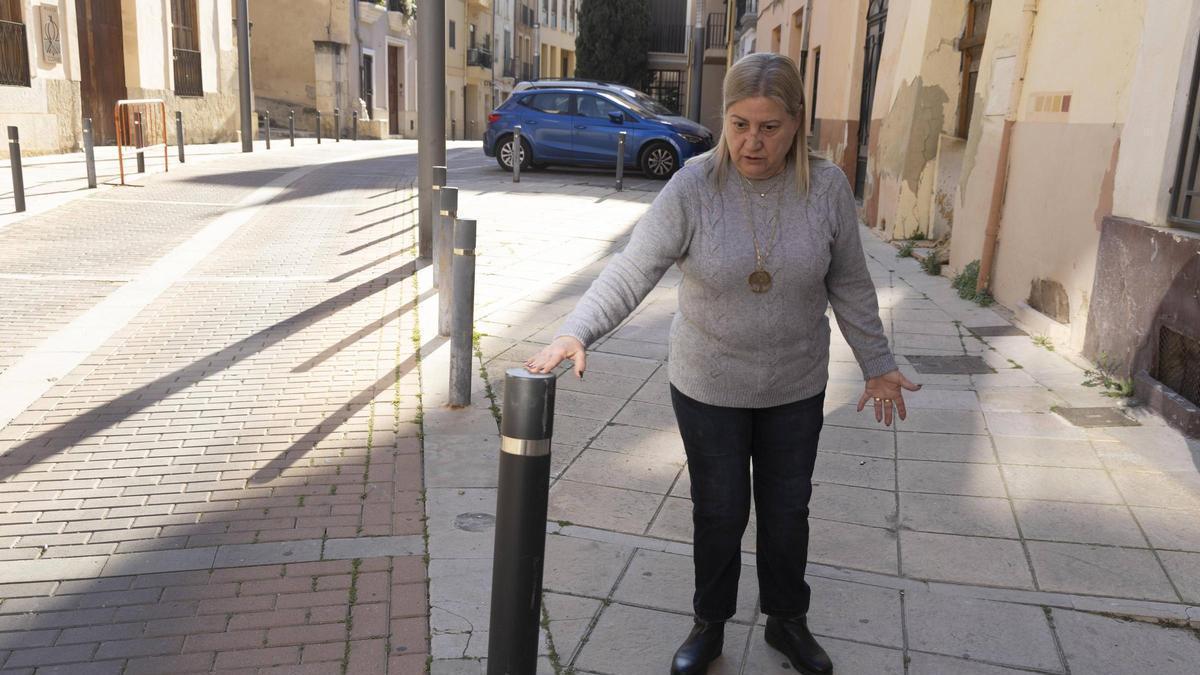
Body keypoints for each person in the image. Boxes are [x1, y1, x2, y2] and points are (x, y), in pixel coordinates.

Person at [524, 53, 920, 675]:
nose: (751, 142)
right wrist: (579, 329)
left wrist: (877, 363)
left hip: (794, 383)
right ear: (724, 119)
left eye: (768, 127)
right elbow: (635, 266)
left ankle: (788, 621)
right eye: (739, 124)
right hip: (709, 383)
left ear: (796, 123)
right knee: (720, 510)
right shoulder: (692, 186)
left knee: (788, 510)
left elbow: (850, 284)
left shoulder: (827, 188)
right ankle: (709, 623)